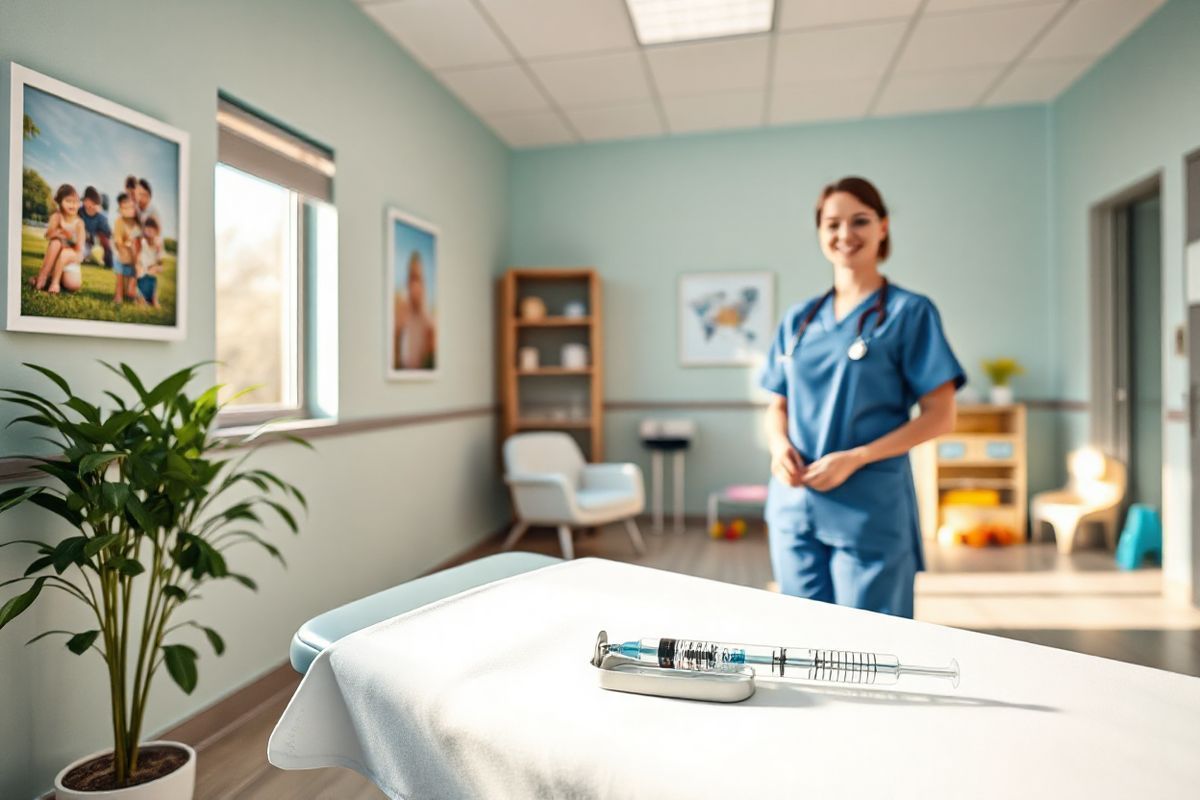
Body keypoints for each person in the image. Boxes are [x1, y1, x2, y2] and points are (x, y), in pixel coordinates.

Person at [760, 177, 965, 618]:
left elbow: (940, 415)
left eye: (860, 221)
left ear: (883, 227)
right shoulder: (798, 319)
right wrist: (779, 447)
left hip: (869, 509)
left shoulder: (910, 313)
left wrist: (856, 457)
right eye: (832, 224)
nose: (845, 234)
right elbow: (777, 404)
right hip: (796, 508)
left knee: (870, 651)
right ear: (820, 233)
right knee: (801, 641)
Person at [30, 184, 85, 294]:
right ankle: (44, 278)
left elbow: (79, 250)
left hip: (70, 258)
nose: (72, 205)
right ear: (60, 202)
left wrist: (67, 239)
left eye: (75, 202)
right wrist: (60, 234)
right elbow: (48, 235)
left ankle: (55, 280)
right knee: (55, 242)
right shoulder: (57, 217)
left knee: (72, 285)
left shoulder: (79, 223)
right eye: (68, 201)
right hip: (55, 258)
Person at [393, 252, 436, 369]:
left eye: (418, 279)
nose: (415, 285)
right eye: (412, 278)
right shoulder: (400, 304)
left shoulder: (427, 313)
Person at [111, 192, 140, 304]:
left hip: (135, 261)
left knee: (130, 293)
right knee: (120, 272)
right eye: (124, 208)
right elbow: (118, 241)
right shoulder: (119, 221)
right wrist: (124, 245)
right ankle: (118, 295)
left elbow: (139, 244)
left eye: (130, 207)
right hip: (123, 257)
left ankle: (134, 291)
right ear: (120, 209)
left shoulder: (137, 224)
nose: (128, 210)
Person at [79, 185, 114, 268]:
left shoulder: (101, 217)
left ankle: (109, 262)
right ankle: (83, 255)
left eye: (93, 202)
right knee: (81, 253)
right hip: (83, 238)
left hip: (96, 237)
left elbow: (108, 234)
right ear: (84, 201)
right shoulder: (80, 211)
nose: (90, 205)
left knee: (105, 239)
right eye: (87, 201)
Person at [136, 217, 163, 307]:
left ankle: (153, 299)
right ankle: (141, 298)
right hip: (141, 271)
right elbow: (138, 258)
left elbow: (160, 263)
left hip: (150, 272)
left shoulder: (158, 243)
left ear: (156, 230)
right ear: (144, 229)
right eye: (147, 228)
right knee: (139, 275)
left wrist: (156, 267)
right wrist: (139, 266)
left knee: (152, 276)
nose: (150, 231)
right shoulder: (142, 241)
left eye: (152, 228)